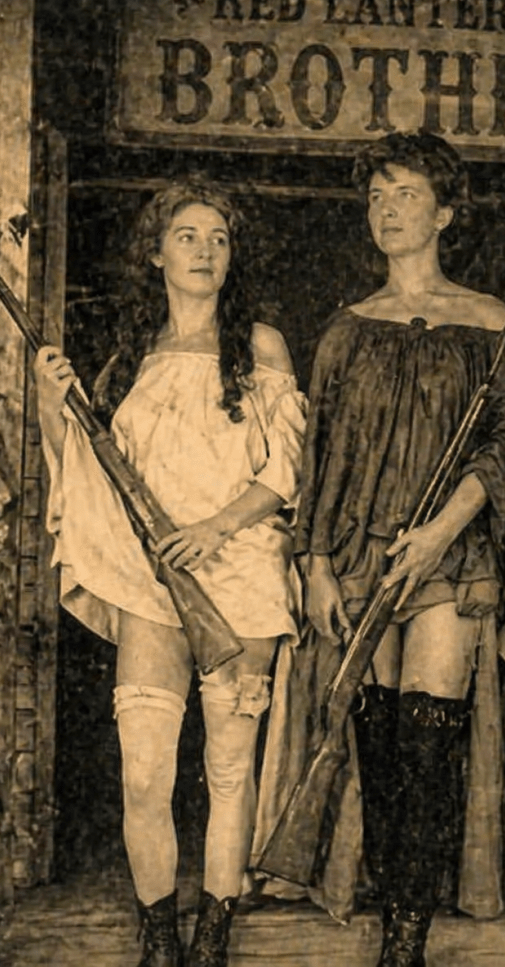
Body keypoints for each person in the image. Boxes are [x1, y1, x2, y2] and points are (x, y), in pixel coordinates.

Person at [34, 179, 306, 967]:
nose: (204, 251)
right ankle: (159, 941)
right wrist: (52, 401)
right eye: (186, 236)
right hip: (154, 586)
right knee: (146, 776)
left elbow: (285, 470)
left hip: (242, 577)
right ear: (155, 253)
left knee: (229, 772)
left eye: (218, 237)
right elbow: (85, 474)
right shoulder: (130, 357)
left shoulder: (261, 347)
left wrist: (212, 529)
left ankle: (212, 938)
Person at [281, 131, 505, 966]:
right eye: (376, 197)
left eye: (407, 195)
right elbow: (319, 458)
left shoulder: (489, 321)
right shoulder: (346, 329)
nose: (387, 211)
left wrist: (441, 532)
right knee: (379, 746)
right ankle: (395, 909)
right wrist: (316, 565)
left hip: (447, 558)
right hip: (360, 557)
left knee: (428, 745)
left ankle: (406, 942)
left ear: (446, 213)